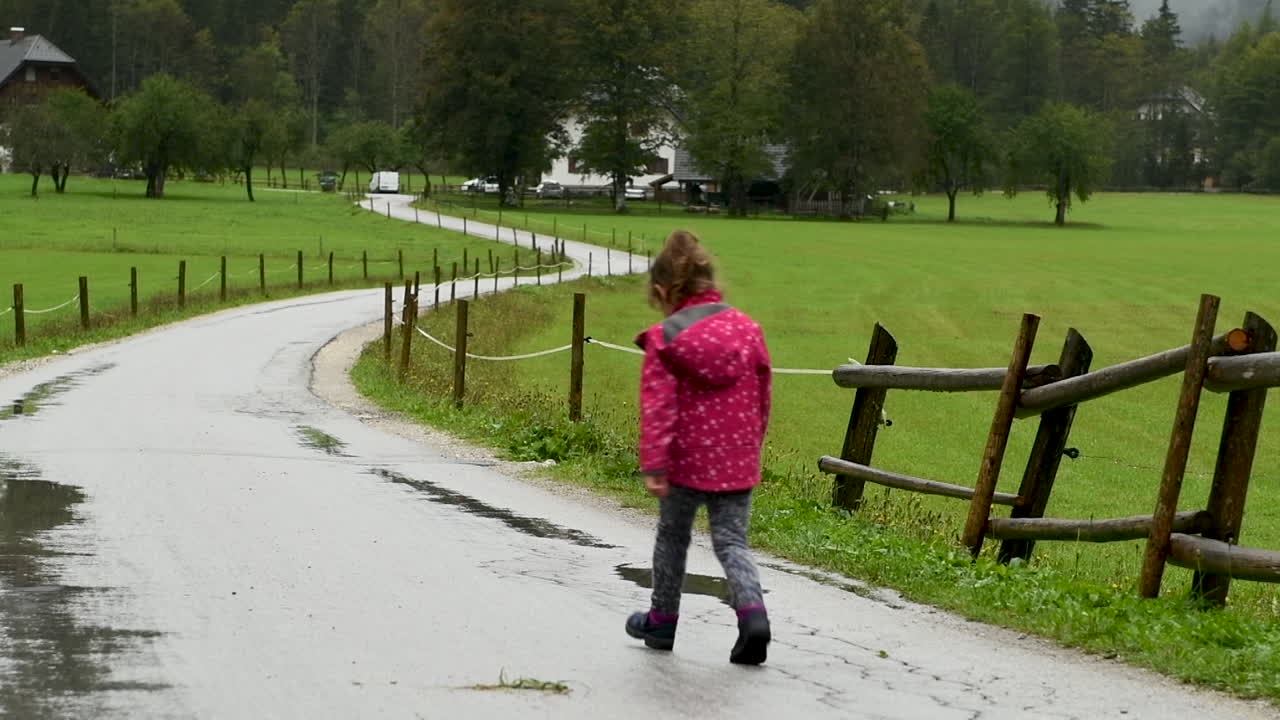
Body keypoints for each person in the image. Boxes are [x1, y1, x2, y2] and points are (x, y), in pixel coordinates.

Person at [624, 229, 773, 665]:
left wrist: (654, 462)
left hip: (684, 460)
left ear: (662, 291)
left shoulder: (665, 337)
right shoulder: (747, 329)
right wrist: (752, 443)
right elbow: (763, 392)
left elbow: (659, 406)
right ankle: (753, 615)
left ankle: (662, 621)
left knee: (672, 537)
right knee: (732, 541)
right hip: (736, 455)